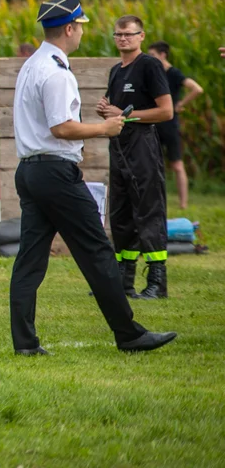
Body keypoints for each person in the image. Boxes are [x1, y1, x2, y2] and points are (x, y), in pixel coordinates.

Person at [10, 0, 175, 355]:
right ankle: (129, 334)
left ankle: (25, 342)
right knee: (99, 252)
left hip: (30, 171)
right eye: (81, 27)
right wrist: (106, 128)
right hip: (55, 171)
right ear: (69, 28)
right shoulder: (56, 71)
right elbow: (62, 128)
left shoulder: (32, 65)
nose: (82, 33)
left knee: (30, 260)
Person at [96, 16, 173, 300]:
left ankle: (156, 280)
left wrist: (125, 115)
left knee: (148, 209)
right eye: (118, 34)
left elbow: (166, 112)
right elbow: (116, 111)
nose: (123, 39)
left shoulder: (149, 66)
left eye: (129, 34)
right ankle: (123, 279)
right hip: (119, 146)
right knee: (121, 212)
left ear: (141, 36)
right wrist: (105, 110)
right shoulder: (116, 70)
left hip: (143, 146)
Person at [147, 41, 204, 211]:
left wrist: (179, 104)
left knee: (177, 165)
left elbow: (197, 89)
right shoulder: (151, 72)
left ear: (163, 54)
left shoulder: (173, 73)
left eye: (153, 55)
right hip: (153, 124)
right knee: (150, 165)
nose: (150, 58)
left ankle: (183, 204)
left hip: (170, 125)